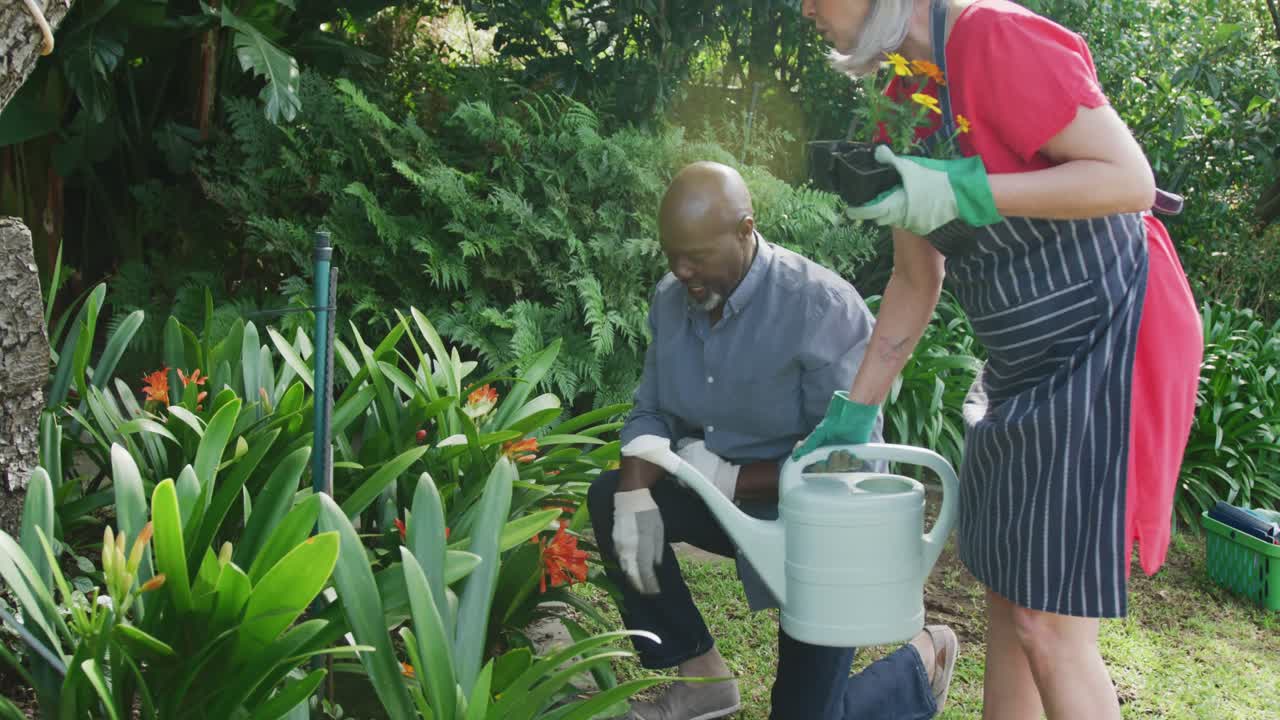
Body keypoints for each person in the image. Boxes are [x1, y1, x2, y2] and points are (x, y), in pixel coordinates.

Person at [794, 1, 1203, 718]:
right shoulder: (904, 92)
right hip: (1022, 361)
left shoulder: (993, 35)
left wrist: (965, 189)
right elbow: (915, 278)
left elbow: (1128, 179)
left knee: (1049, 624)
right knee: (1010, 594)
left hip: (1109, 337)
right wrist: (855, 407)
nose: (804, 7)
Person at [588, 160, 958, 720]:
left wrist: (730, 478)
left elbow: (848, 466)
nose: (681, 270)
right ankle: (704, 682)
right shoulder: (672, 299)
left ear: (745, 229)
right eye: (671, 254)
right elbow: (652, 412)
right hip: (729, 511)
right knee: (612, 492)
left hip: (820, 537)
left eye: (697, 255)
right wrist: (637, 497)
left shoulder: (822, 309)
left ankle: (921, 662)